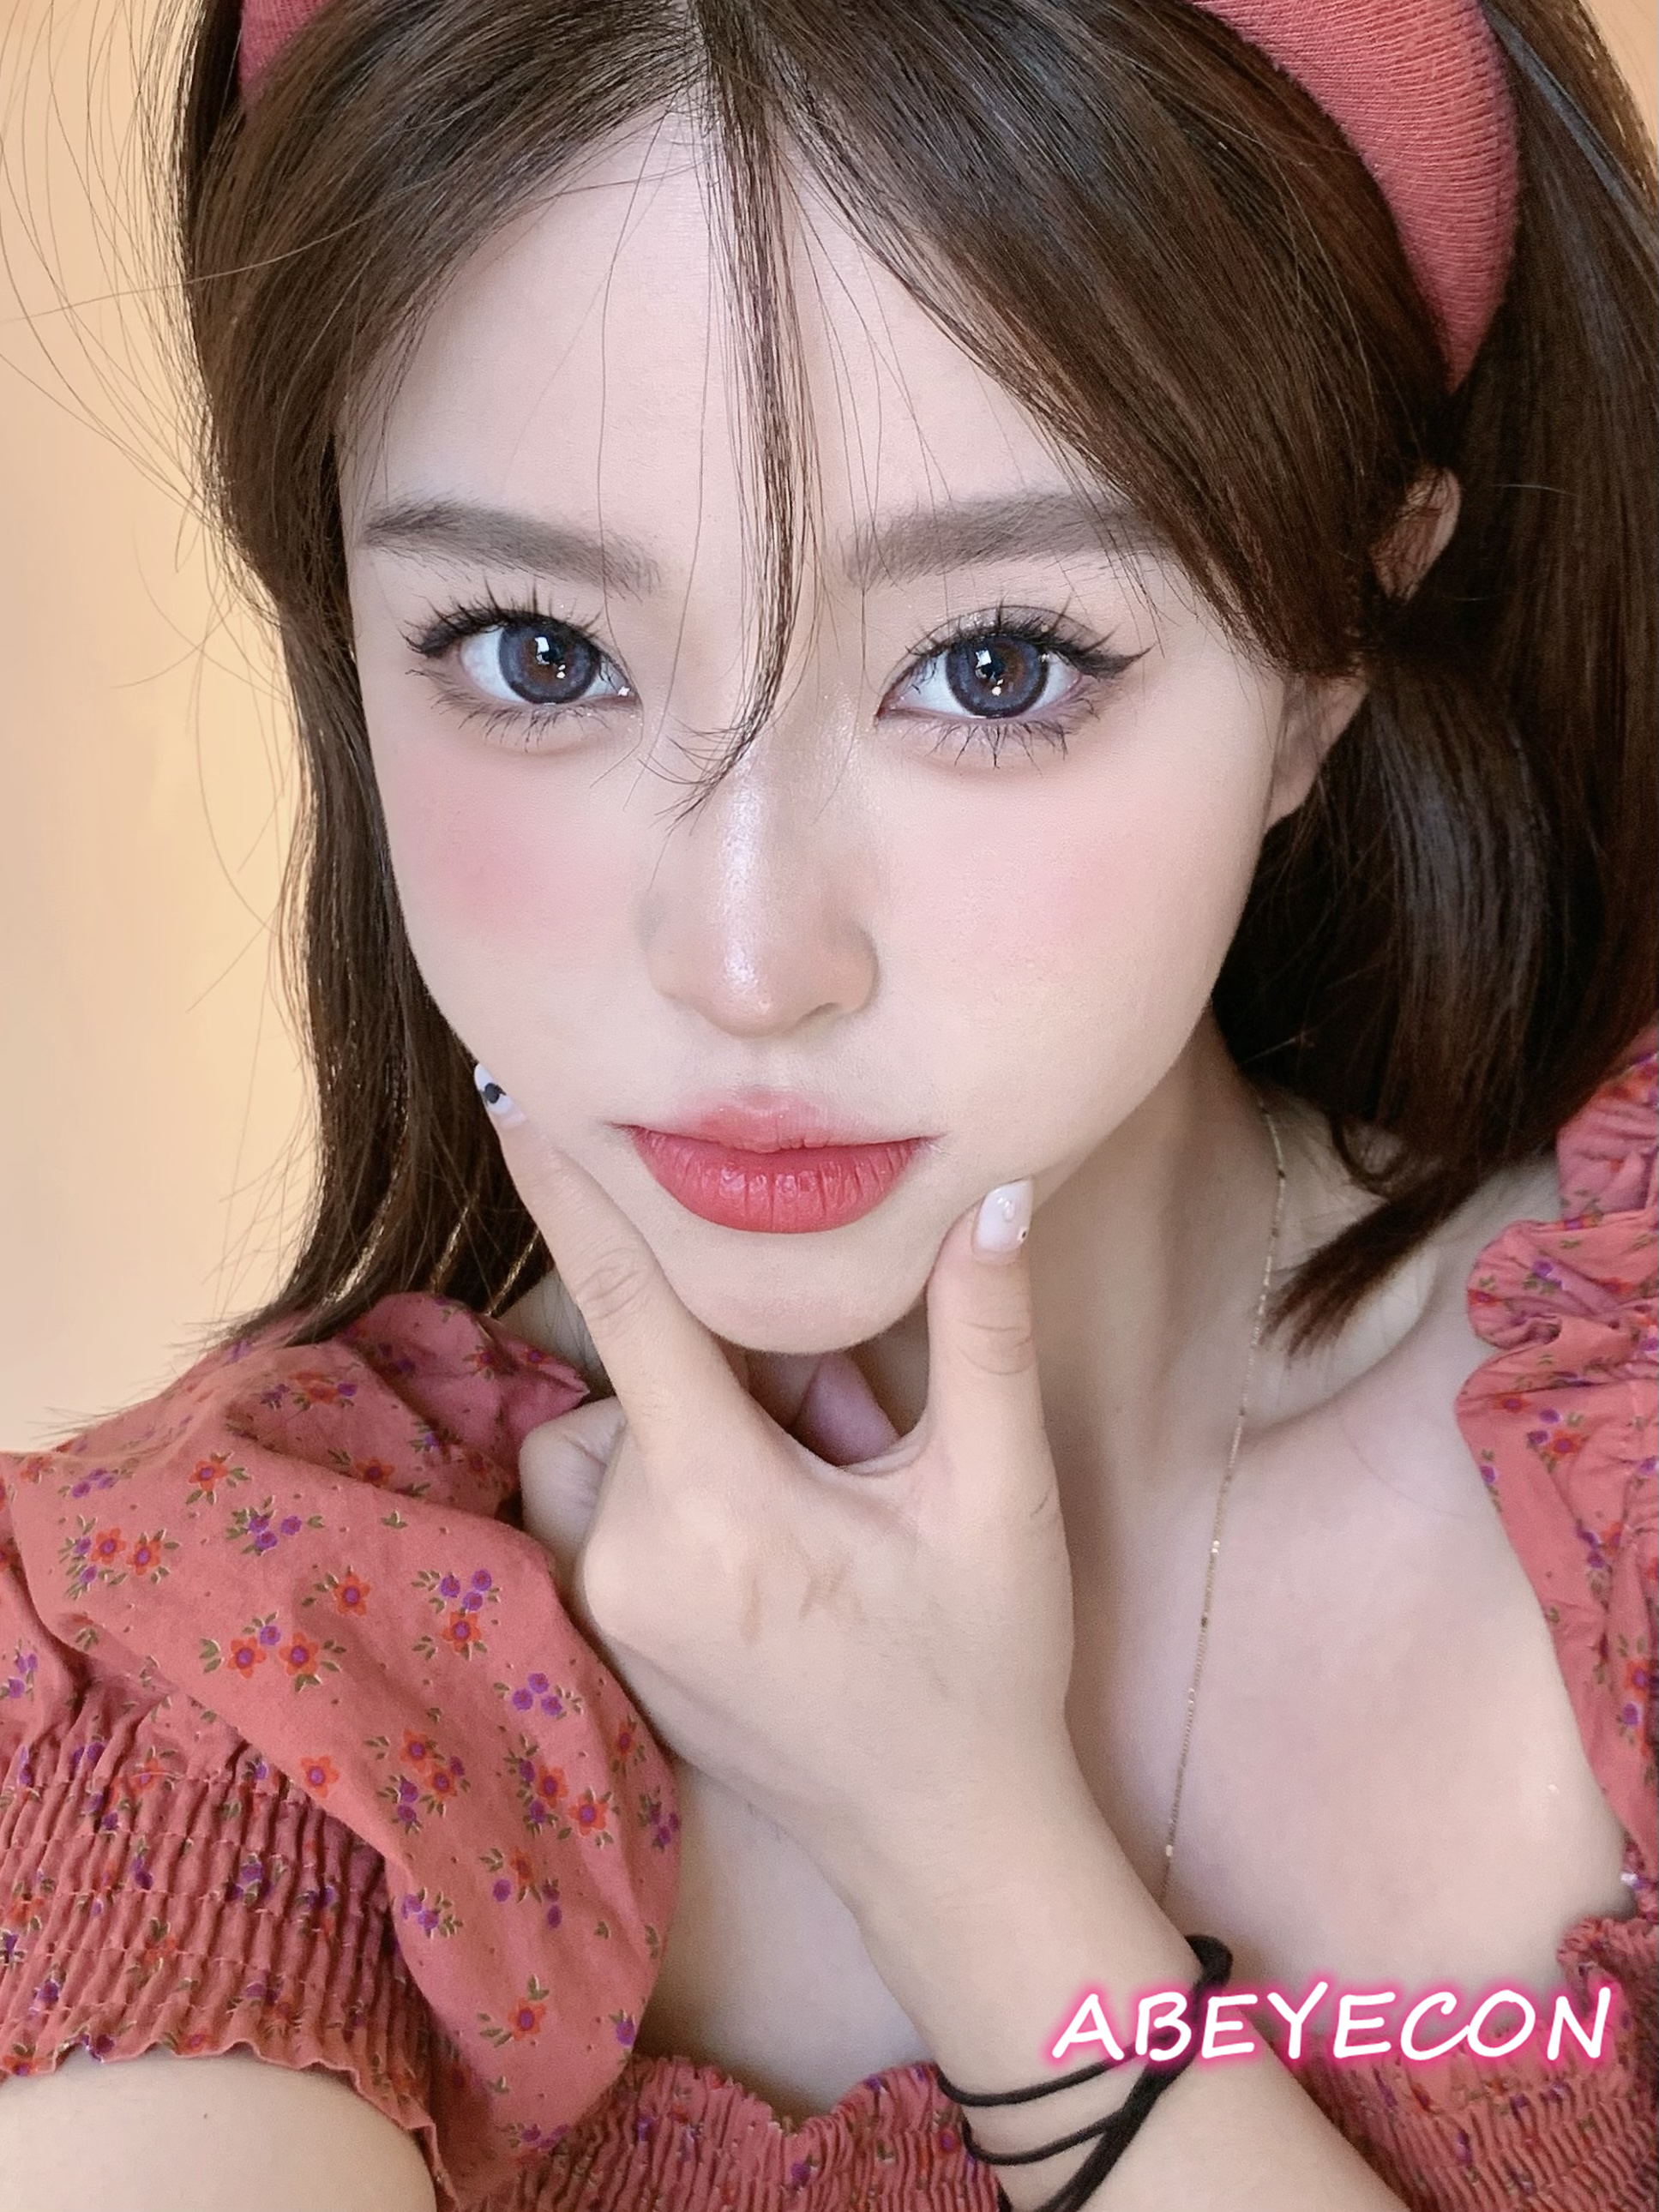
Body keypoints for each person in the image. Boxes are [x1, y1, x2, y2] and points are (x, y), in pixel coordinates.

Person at [0, 0, 1652, 2205]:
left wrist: (965, 1854)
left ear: (1330, 643)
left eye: (993, 664)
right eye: (536, 652)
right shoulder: (221, 1671)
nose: (751, 960)